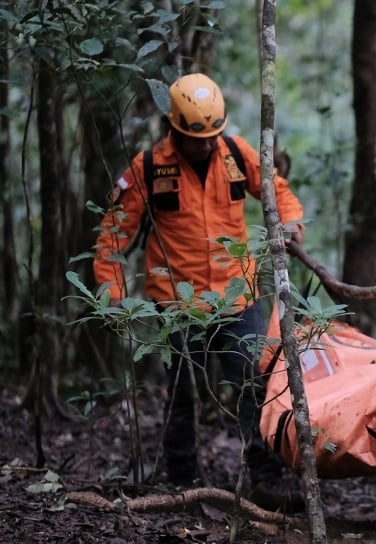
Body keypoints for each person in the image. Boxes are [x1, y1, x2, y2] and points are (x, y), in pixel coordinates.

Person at [92, 73, 306, 511]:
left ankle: (266, 477)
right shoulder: (148, 166)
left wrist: (291, 223)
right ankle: (183, 480)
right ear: (174, 128)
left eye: (213, 135)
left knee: (253, 380)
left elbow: (277, 191)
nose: (207, 145)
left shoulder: (236, 153)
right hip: (177, 302)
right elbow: (114, 231)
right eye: (196, 138)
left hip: (237, 295)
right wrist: (110, 290)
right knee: (182, 389)